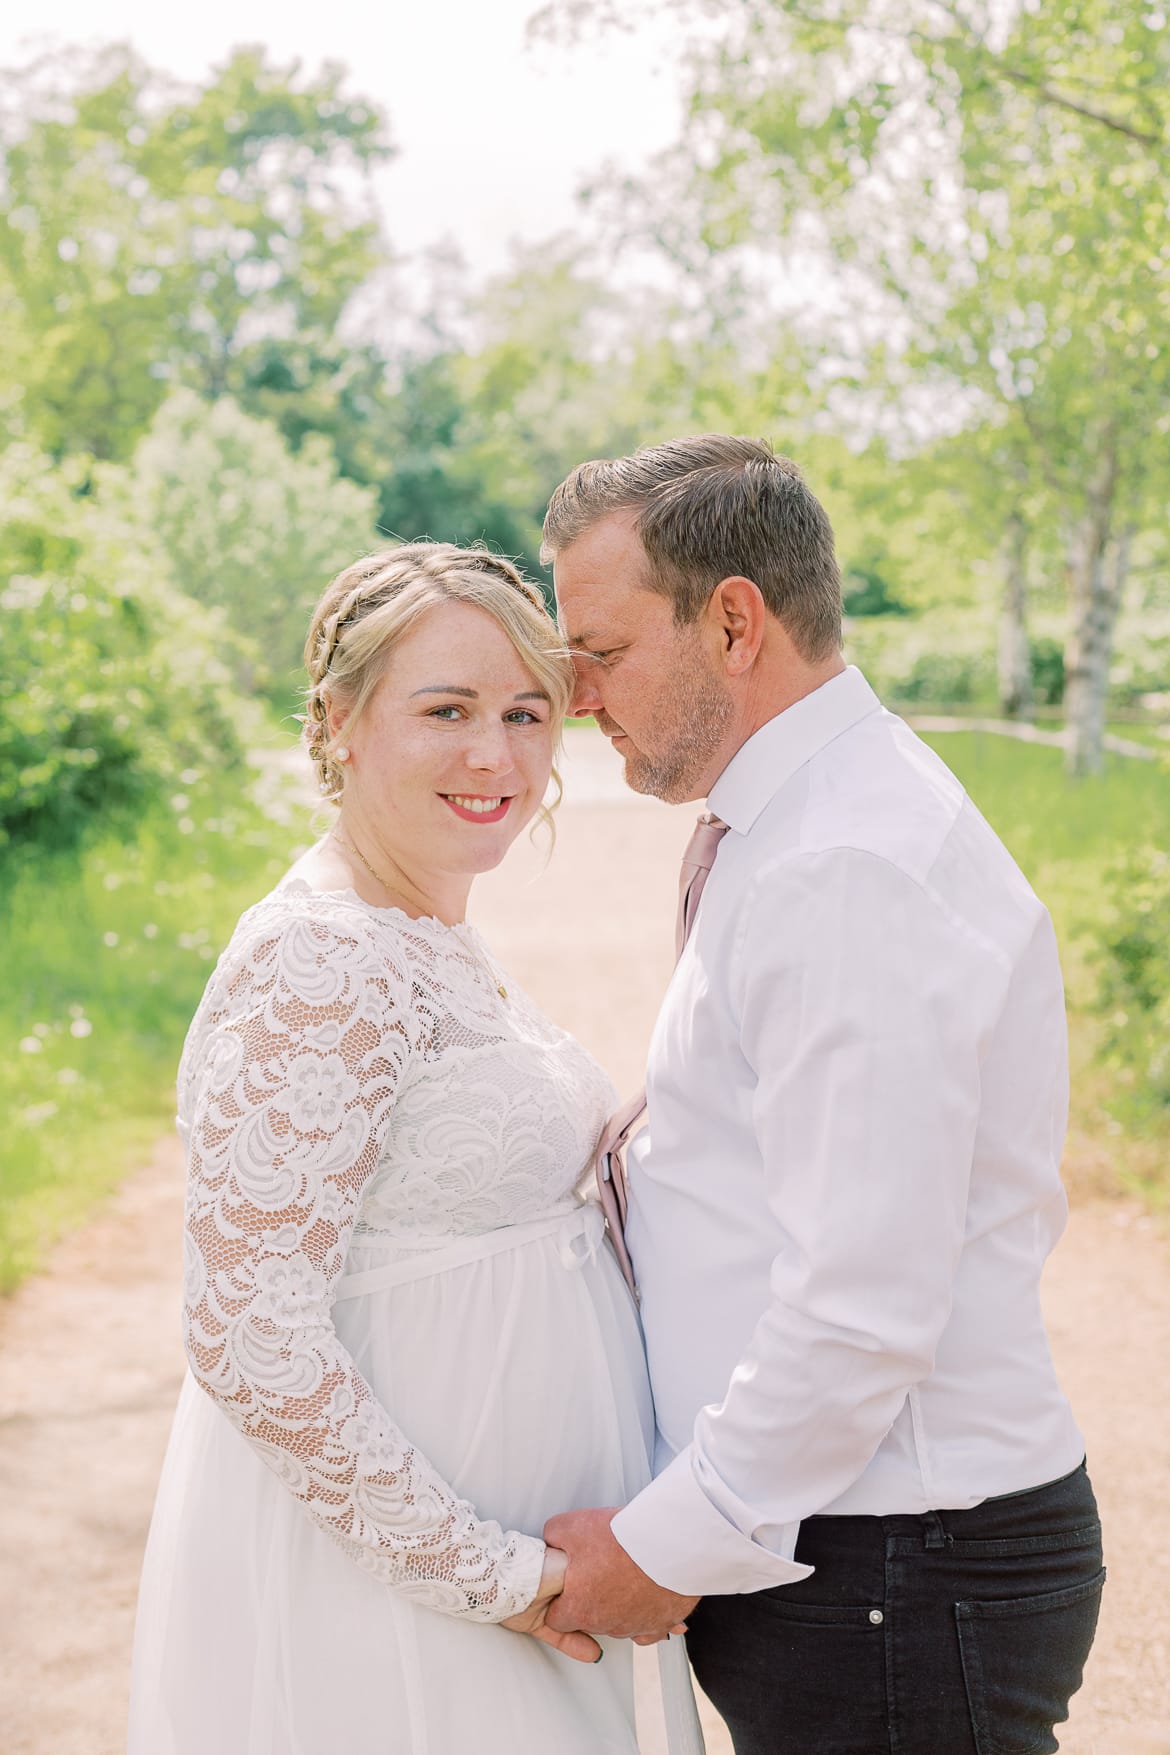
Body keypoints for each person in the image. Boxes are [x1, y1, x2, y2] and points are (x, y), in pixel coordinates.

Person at [540, 436, 1105, 1755]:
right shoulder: (800, 824)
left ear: (732, 619)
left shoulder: (842, 863)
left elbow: (860, 1301)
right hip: (860, 1558)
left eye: (604, 650)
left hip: (891, 1567)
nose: (574, 696)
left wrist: (667, 1541)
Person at [126, 542, 701, 1755]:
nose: (495, 755)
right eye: (446, 710)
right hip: (402, 1597)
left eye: (525, 713)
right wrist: (490, 1574)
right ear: (339, 721)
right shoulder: (321, 961)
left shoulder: (420, 931)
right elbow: (248, 1336)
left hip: (507, 1569)